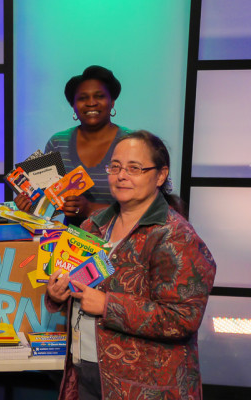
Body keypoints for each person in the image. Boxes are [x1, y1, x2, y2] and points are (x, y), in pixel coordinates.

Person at [45, 130, 216, 399]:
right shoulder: (94, 225)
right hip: (85, 371)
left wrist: (107, 305)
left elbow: (182, 318)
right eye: (115, 167)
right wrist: (58, 293)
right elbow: (77, 286)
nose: (121, 175)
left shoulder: (176, 236)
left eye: (134, 168)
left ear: (160, 175)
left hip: (146, 386)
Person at [15, 65, 131, 224]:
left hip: (124, 240)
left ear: (112, 102)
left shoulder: (131, 143)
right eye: (82, 98)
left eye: (99, 96)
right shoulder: (57, 143)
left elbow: (146, 204)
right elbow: (50, 204)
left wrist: (90, 208)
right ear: (73, 106)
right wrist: (31, 206)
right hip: (70, 243)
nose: (91, 103)